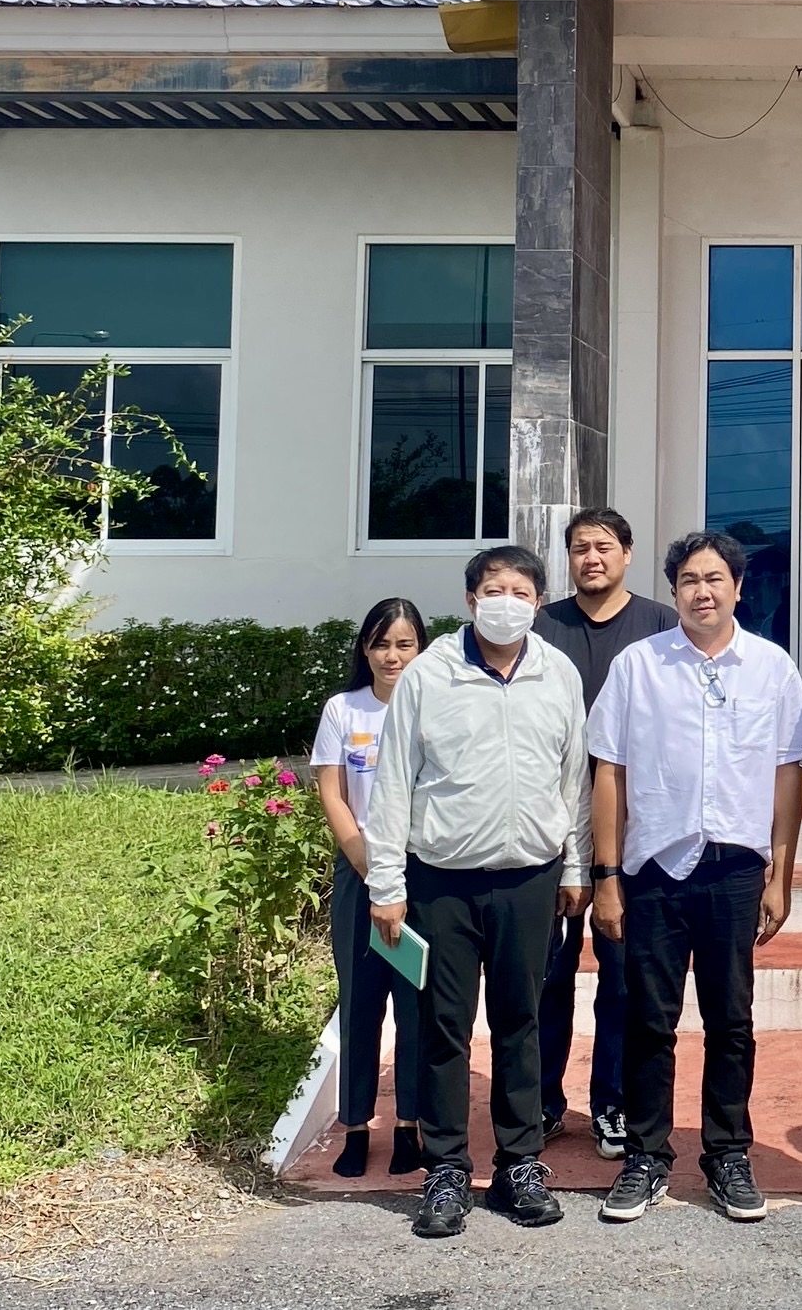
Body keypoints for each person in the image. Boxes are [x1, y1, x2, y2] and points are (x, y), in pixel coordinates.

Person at [365, 545, 594, 1240]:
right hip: (443, 881)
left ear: (538, 601)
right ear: (470, 600)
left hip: (530, 878)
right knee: (443, 1026)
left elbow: (573, 780)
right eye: (495, 590)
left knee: (522, 1022)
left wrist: (576, 868)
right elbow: (393, 781)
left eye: (521, 591)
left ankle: (520, 1163)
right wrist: (387, 883)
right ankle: (446, 1169)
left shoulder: (558, 672)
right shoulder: (430, 674)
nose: (507, 602)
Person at [588, 530, 802, 1225]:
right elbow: (609, 771)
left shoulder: (771, 668)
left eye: (715, 579)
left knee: (731, 1020)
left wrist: (781, 875)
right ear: (674, 591)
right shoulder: (638, 665)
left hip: (735, 870)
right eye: (689, 580)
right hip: (654, 869)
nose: (702, 591)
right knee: (648, 1019)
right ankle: (646, 1157)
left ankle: (727, 1154)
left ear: (739, 588)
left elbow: (788, 775)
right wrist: (606, 875)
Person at [533, 506, 678, 1161]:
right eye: (579, 548)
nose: (591, 558)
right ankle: (541, 1101)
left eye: (603, 546)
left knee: (622, 977)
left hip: (633, 824)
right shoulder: (543, 626)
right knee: (547, 973)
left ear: (627, 553)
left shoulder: (661, 626)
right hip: (554, 821)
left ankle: (612, 1104)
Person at [310, 597, 430, 1180]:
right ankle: (356, 1126)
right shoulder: (344, 709)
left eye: (404, 644)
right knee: (360, 1001)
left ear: (421, 649)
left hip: (422, 874)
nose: (392, 656)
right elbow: (332, 792)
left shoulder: (434, 706)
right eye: (381, 644)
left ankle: (409, 1124)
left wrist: (398, 870)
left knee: (416, 1002)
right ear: (365, 649)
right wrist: (368, 863)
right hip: (361, 873)